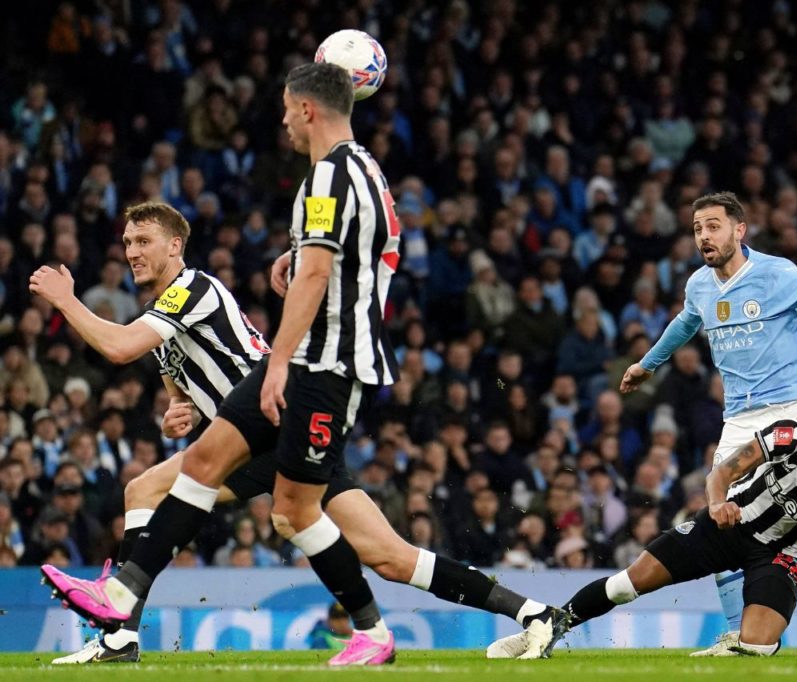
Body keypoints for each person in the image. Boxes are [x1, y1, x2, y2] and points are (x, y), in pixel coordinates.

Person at [36, 64, 566, 666]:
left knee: (191, 485)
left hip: (293, 391)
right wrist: (180, 405)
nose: (131, 252)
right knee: (377, 550)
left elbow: (118, 347)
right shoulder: (358, 172)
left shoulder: (195, 285)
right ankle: (528, 611)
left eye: (142, 243)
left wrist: (65, 298)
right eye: (126, 244)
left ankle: (121, 621)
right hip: (289, 393)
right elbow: (178, 369)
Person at [541, 191, 797, 657]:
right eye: (698, 228)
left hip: (792, 403)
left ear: (739, 230)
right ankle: (741, 636)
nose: (704, 236)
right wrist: (648, 364)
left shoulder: (776, 273)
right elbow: (684, 323)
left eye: (713, 226)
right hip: (738, 415)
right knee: (726, 519)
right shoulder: (699, 284)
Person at [494, 402, 797, 657]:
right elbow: (724, 472)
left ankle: (739, 645)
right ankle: (550, 626)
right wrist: (716, 503)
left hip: (785, 559)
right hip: (730, 525)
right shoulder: (791, 436)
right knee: (628, 583)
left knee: (759, 644)